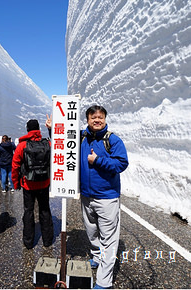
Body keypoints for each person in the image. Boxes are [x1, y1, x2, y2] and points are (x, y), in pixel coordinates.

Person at [47, 105, 128, 289]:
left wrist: (97, 160)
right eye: (93, 118)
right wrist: (52, 130)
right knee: (91, 231)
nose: (97, 120)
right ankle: (97, 257)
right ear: (88, 120)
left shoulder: (113, 140)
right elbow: (64, 145)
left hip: (107, 197)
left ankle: (104, 282)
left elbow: (121, 163)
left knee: (108, 239)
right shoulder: (82, 137)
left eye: (100, 117)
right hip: (86, 196)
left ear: (105, 119)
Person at [12, 119, 54, 249]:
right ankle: (47, 240)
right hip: (44, 183)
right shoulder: (47, 143)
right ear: (38, 130)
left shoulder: (22, 145)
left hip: (28, 184)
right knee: (45, 210)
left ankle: (28, 242)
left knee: (28, 211)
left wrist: (16, 183)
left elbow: (15, 166)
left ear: (27, 130)